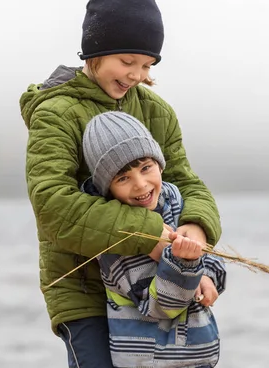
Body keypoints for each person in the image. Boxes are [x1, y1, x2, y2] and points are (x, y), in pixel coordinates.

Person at [19, 0, 222, 367]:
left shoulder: (156, 112)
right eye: (127, 62)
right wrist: (147, 235)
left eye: (146, 65)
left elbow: (187, 182)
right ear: (94, 53)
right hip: (85, 292)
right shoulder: (55, 114)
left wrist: (196, 233)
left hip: (155, 284)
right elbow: (51, 204)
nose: (136, 74)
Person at [80, 111, 227, 368]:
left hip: (197, 357)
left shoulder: (175, 201)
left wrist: (207, 276)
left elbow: (213, 262)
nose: (140, 184)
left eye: (146, 168)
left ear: (159, 164)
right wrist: (187, 264)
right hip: (150, 361)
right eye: (123, 178)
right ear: (108, 188)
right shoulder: (117, 241)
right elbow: (163, 307)